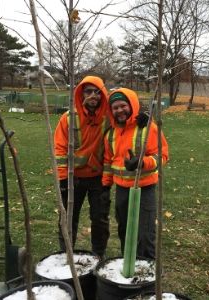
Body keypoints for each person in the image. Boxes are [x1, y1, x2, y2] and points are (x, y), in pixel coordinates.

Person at [101, 88, 169, 259]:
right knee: (125, 230)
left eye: (123, 106)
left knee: (145, 234)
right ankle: (128, 262)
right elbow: (109, 162)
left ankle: (146, 272)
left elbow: (162, 156)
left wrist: (141, 162)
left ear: (131, 105)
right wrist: (105, 185)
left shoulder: (147, 128)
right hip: (122, 190)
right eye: (115, 108)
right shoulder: (111, 133)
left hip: (144, 188)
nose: (119, 110)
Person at [54, 76, 111, 258]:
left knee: (100, 219)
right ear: (81, 93)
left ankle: (98, 256)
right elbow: (60, 149)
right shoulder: (68, 118)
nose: (93, 95)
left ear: (103, 95)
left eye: (97, 92)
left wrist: (142, 117)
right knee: (68, 218)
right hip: (73, 178)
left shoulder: (108, 119)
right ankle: (66, 255)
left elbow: (128, 120)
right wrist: (63, 178)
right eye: (88, 91)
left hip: (98, 178)